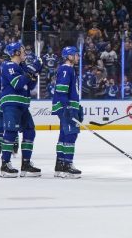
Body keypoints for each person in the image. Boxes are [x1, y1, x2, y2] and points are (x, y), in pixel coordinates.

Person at [0, 42, 42, 178]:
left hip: (23, 105)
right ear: (16, 52)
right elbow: (17, 84)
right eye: (23, 50)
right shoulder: (8, 66)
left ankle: (26, 163)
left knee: (30, 131)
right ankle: (5, 165)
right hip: (12, 104)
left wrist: (35, 72)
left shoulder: (22, 67)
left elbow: (31, 85)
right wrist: (30, 70)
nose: (25, 53)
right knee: (11, 132)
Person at [52, 46, 83, 179]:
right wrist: (68, 107)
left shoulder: (70, 69)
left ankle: (60, 165)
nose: (78, 57)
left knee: (64, 134)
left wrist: (77, 107)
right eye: (76, 54)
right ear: (69, 56)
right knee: (71, 134)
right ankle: (67, 164)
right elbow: (61, 89)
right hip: (66, 107)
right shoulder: (66, 69)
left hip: (69, 106)